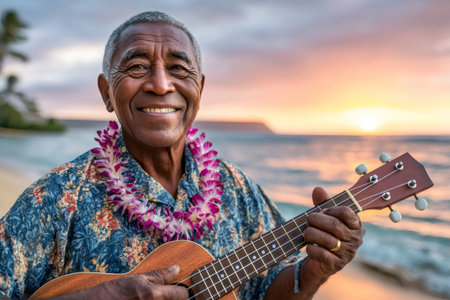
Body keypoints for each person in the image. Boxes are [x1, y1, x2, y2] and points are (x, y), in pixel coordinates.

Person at [0, 11, 363, 299]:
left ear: (199, 89)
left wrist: (314, 272)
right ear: (107, 92)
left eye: (178, 68)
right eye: (137, 66)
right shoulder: (55, 200)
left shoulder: (238, 189)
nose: (160, 84)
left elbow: (267, 292)